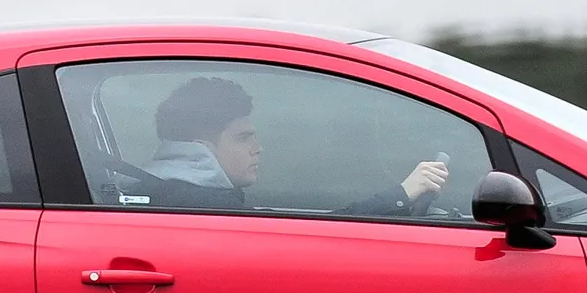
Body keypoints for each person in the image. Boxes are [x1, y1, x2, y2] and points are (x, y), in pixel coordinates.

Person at [136, 76, 448, 215]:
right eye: (243, 138)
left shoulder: (173, 195)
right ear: (200, 148)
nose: (258, 148)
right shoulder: (201, 206)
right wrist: (402, 194)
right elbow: (322, 242)